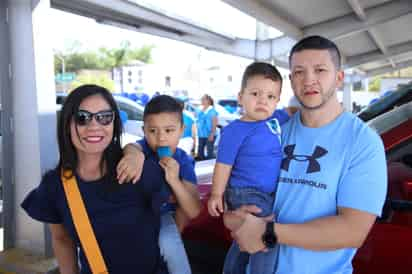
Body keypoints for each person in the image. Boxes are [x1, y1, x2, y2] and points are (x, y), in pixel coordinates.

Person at [224, 35, 387, 274]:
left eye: (320, 70)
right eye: (299, 72)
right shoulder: (274, 132)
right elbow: (239, 191)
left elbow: (353, 231)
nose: (309, 80)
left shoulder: (363, 142)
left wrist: (269, 233)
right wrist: (234, 214)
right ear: (291, 80)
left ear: (339, 78)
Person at [21, 84, 168, 274]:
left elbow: (178, 215)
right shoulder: (54, 186)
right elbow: (62, 239)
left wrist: (134, 151)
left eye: (104, 117)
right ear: (67, 124)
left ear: (114, 123)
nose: (94, 126)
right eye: (82, 118)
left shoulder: (138, 171)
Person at [208, 62, 284, 274]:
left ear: (277, 101)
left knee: (244, 237)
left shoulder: (275, 121)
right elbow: (223, 165)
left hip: (265, 193)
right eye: (255, 93)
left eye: (270, 97)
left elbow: (296, 112)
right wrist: (216, 193)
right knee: (266, 235)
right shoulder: (235, 130)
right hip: (246, 193)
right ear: (240, 97)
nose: (263, 101)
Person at [122, 95, 201, 274]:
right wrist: (132, 155)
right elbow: (132, 147)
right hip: (134, 220)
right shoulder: (142, 150)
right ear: (144, 130)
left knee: (169, 242)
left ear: (182, 130)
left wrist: (174, 180)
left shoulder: (183, 161)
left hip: (164, 220)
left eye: (169, 130)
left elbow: (194, 210)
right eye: (153, 131)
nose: (161, 138)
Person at [197, 94, 218, 160]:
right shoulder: (201, 110)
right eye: (201, 99)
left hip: (209, 134)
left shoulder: (212, 111)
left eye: (203, 99)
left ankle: (210, 167)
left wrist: (212, 134)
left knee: (209, 153)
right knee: (200, 153)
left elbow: (214, 123)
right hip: (201, 134)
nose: (202, 101)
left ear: (208, 101)